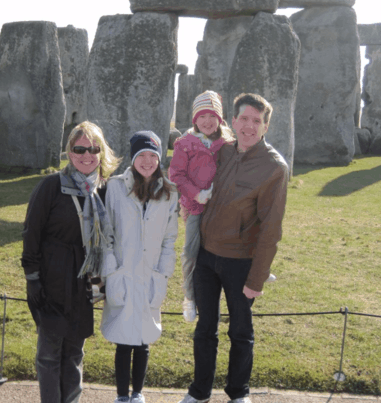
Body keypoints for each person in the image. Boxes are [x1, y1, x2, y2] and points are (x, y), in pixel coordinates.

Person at [178, 93, 289, 403]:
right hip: (206, 256)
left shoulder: (274, 168)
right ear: (234, 121)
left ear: (266, 126)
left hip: (241, 262)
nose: (249, 126)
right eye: (244, 119)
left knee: (240, 332)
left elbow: (271, 228)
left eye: (257, 121)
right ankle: (199, 392)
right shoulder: (222, 152)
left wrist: (257, 279)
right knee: (205, 330)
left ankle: (238, 393)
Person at [21, 121, 120, 403]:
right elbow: (31, 232)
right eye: (80, 148)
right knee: (50, 354)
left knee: (74, 353)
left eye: (93, 148)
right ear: (69, 151)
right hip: (52, 279)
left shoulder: (104, 190)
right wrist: (32, 278)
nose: (87, 155)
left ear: (102, 152)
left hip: (84, 281)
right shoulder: (51, 186)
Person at [100, 131, 179, 403]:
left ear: (159, 158)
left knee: (144, 340)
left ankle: (138, 394)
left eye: (152, 155)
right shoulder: (114, 188)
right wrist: (111, 268)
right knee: (123, 341)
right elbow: (106, 233)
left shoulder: (169, 193)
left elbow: (170, 237)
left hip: (150, 274)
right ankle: (122, 395)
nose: (147, 161)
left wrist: (164, 271)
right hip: (123, 272)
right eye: (141, 155)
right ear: (133, 158)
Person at [168, 90, 234, 322]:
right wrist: (197, 195)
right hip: (197, 206)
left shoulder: (227, 143)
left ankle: (256, 272)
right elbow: (176, 175)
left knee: (243, 235)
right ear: (195, 119)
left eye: (212, 116)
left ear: (220, 119)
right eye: (202, 116)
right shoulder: (185, 144)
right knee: (190, 252)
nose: (207, 121)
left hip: (223, 207)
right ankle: (189, 297)